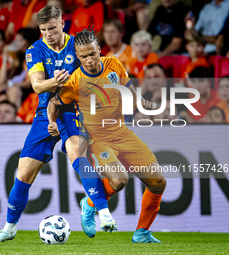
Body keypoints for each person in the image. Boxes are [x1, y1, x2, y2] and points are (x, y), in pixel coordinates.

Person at [0, 6, 116, 243]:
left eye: (52, 28)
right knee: (23, 174)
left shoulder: (78, 46)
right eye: (44, 30)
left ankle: (104, 214)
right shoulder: (35, 50)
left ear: (62, 23)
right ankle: (9, 229)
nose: (48, 34)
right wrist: (55, 81)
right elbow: (36, 85)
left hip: (74, 109)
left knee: (77, 152)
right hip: (45, 112)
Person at [47, 27, 166, 243]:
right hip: (96, 140)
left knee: (158, 182)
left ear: (99, 49)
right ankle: (91, 203)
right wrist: (52, 123)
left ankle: (141, 233)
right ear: (78, 57)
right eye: (83, 57)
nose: (89, 60)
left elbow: (129, 91)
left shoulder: (114, 65)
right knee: (120, 181)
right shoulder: (75, 80)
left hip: (122, 133)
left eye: (92, 54)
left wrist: (145, 104)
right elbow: (54, 102)